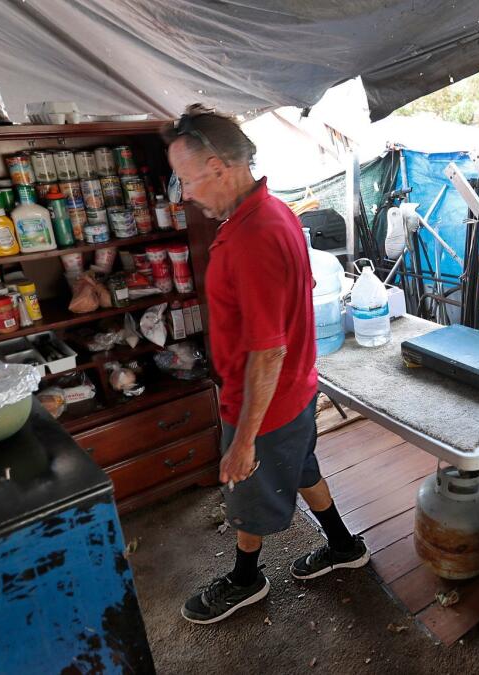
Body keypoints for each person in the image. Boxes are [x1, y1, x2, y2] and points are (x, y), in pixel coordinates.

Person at [163, 105, 369, 625]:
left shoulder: (253, 236)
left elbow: (266, 350)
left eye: (187, 179)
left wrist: (244, 440)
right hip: (296, 391)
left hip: (268, 404)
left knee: (245, 494)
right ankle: (344, 546)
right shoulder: (272, 212)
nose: (185, 191)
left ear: (216, 166)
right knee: (302, 468)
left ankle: (245, 578)